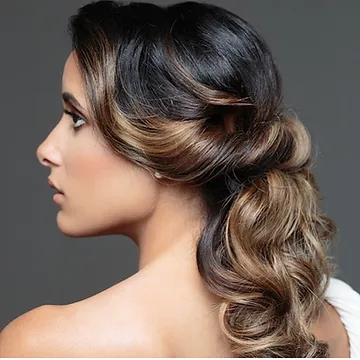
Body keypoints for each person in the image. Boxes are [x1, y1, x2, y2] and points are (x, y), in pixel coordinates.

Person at [0, 0, 359, 357]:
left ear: (171, 143)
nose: (46, 149)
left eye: (76, 118)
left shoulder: (45, 346)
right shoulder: (340, 317)